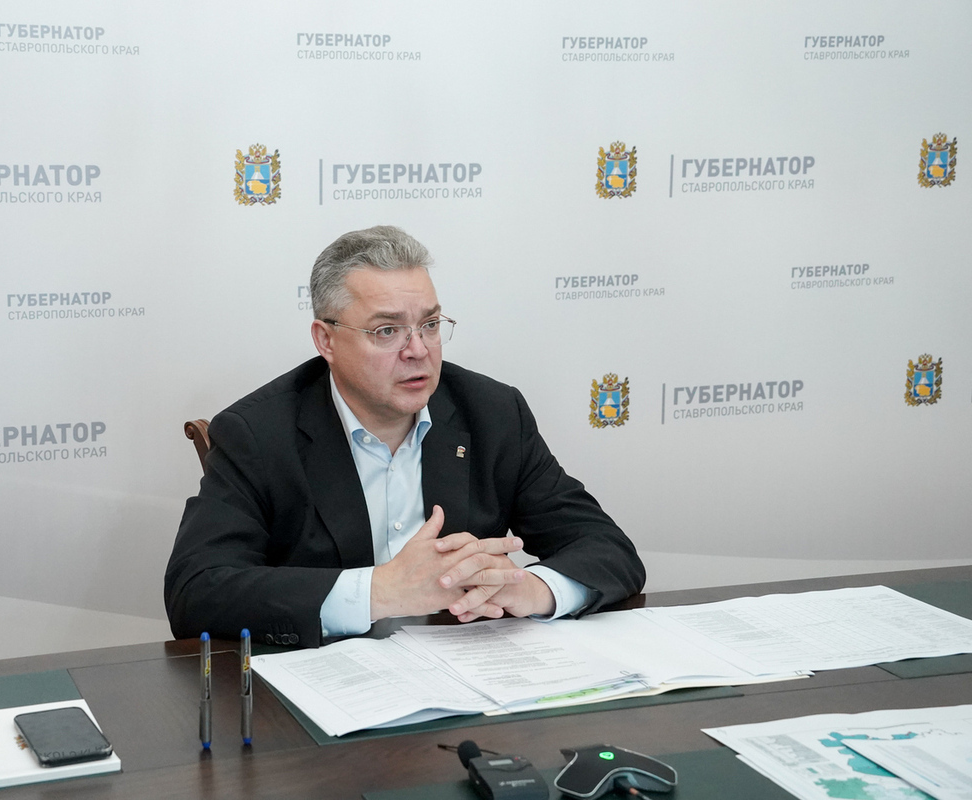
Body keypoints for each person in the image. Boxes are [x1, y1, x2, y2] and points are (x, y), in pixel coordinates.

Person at [164, 226, 644, 647]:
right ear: (326, 340)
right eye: (387, 331)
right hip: (329, 686)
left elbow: (608, 548)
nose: (418, 350)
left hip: (465, 676)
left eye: (430, 325)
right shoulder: (258, 434)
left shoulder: (492, 413)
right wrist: (380, 591)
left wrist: (530, 589)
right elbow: (197, 591)